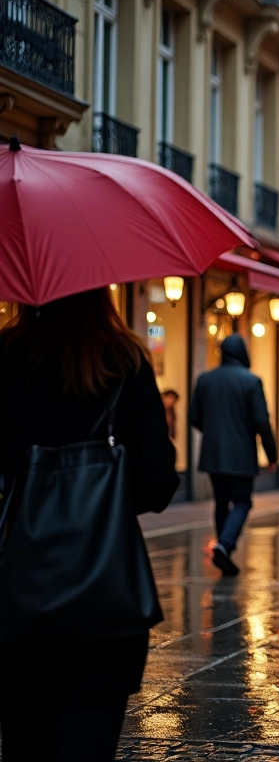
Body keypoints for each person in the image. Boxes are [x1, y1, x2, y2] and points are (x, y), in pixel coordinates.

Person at [0, 289, 180, 761]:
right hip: (105, 600)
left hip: (16, 594)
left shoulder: (7, 357)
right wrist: (101, 496)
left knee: (22, 742)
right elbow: (158, 484)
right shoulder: (124, 362)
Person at [190, 334, 278, 577]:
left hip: (213, 454)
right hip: (241, 455)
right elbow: (262, 421)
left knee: (221, 501)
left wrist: (213, 435)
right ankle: (224, 546)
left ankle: (223, 549)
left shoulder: (205, 379)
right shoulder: (251, 381)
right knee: (242, 501)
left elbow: (194, 417)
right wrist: (272, 455)